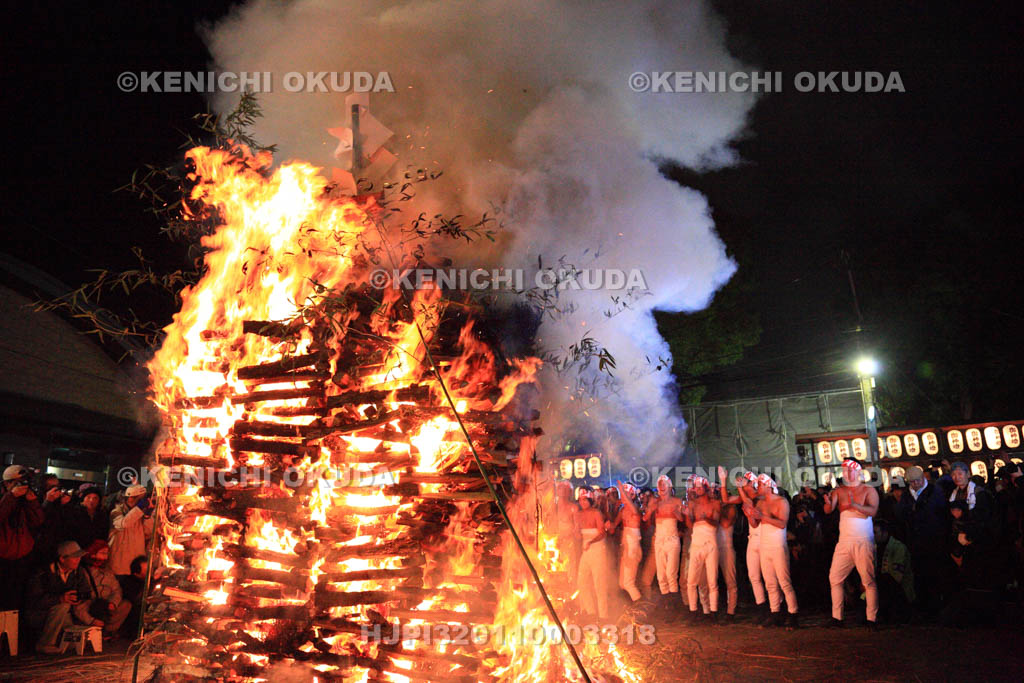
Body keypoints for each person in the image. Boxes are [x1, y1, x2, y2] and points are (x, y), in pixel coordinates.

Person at [825, 459, 879, 628]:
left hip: (863, 539)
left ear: (858, 471)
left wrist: (855, 505)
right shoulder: (839, 491)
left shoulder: (868, 490)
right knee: (834, 578)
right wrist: (827, 503)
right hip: (844, 541)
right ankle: (837, 617)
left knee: (868, 580)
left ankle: (872, 619)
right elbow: (829, 510)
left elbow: (873, 511)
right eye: (845, 470)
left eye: (850, 470)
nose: (847, 473)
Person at [25, 540, 94, 653]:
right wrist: (60, 599)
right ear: (62, 559)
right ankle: (45, 643)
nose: (78, 560)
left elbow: (86, 591)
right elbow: (34, 601)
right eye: (75, 557)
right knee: (63, 606)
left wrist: (78, 597)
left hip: (64, 614)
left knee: (72, 643)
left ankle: (61, 642)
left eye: (79, 556)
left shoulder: (78, 572)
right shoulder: (43, 574)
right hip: (39, 614)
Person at [719, 467, 768, 622]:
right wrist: (723, 481)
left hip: (766, 538)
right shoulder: (744, 495)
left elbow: (750, 503)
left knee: (769, 576)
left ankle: (776, 609)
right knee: (753, 575)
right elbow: (726, 500)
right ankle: (762, 608)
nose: (742, 485)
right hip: (751, 537)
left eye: (745, 482)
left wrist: (740, 489)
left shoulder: (761, 496)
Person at [900, 465, 949, 616]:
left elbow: (942, 515)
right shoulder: (906, 495)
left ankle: (936, 607)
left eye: (918, 481)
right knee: (918, 575)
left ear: (923, 478)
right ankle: (923, 607)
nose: (915, 484)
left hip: (934, 540)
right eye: (912, 482)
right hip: (915, 542)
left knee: (935, 575)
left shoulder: (935, 491)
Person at [752, 473, 798, 628]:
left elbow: (782, 524)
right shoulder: (760, 503)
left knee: (784, 581)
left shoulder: (782, 501)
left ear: (767, 485)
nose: (757, 487)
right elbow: (755, 524)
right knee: (770, 583)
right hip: (765, 546)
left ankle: (792, 613)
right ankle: (775, 612)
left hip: (778, 545)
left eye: (759, 484)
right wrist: (750, 514)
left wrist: (762, 516)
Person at [0, 465, 46, 610]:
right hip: (2, 557)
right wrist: (11, 497)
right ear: (7, 483)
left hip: (23, 557)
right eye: (18, 482)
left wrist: (32, 502)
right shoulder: (4, 498)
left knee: (18, 598)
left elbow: (38, 521)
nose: (23, 485)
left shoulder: (27, 499)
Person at [644, 475, 685, 603]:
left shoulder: (677, 501)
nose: (662, 486)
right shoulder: (655, 502)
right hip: (659, 539)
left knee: (671, 573)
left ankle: (674, 606)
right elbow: (645, 519)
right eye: (660, 484)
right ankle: (666, 606)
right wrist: (651, 510)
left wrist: (676, 513)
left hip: (672, 539)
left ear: (669, 486)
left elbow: (682, 520)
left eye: (664, 484)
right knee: (661, 575)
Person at [79, 540, 132, 639]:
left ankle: (107, 631)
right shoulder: (82, 573)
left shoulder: (107, 571)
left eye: (107, 554)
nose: (105, 557)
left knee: (125, 605)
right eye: (102, 553)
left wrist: (113, 603)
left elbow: (117, 590)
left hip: (106, 605)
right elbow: (79, 602)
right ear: (92, 554)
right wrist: (91, 620)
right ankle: (93, 625)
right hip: (90, 606)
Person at [684, 475, 720, 622]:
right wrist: (687, 515)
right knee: (692, 580)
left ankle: (713, 612)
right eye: (696, 487)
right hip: (696, 543)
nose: (698, 490)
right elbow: (690, 525)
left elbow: (716, 523)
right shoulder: (693, 504)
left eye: (700, 487)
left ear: (705, 487)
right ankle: (693, 611)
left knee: (712, 580)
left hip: (711, 543)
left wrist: (706, 519)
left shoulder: (714, 503)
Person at [574, 487, 610, 619]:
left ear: (590, 500)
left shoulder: (596, 513)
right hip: (586, 550)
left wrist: (591, 541)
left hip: (597, 550)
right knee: (581, 581)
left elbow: (602, 533)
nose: (582, 503)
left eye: (585, 500)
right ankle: (591, 612)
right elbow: (578, 536)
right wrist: (577, 533)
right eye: (580, 500)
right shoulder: (578, 515)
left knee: (599, 584)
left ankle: (604, 616)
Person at [108, 484, 154, 576]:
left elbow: (148, 531)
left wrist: (148, 517)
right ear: (129, 498)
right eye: (139, 499)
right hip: (120, 560)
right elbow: (123, 524)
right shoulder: (117, 511)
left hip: (137, 560)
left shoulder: (141, 512)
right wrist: (139, 508)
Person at [874, 519, 913, 624]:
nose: (873, 536)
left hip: (897, 591)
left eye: (875, 532)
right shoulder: (875, 547)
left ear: (885, 533)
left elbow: (896, 577)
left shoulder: (898, 548)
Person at [615, 481, 644, 603]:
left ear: (632, 496)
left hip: (633, 548)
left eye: (626, 493)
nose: (623, 496)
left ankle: (641, 607)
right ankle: (636, 607)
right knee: (622, 583)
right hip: (626, 547)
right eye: (623, 493)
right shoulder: (622, 511)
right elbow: (612, 526)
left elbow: (629, 504)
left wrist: (621, 490)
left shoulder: (634, 509)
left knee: (628, 583)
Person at [714, 483, 739, 621]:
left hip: (726, 547)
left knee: (730, 581)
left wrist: (717, 510)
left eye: (719, 492)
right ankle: (714, 609)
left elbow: (725, 523)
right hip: (714, 546)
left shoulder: (731, 507)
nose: (717, 495)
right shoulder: (716, 506)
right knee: (712, 581)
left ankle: (731, 611)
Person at [118, 555, 149, 636]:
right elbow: (136, 600)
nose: (150, 571)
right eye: (146, 570)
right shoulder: (129, 582)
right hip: (134, 623)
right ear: (136, 573)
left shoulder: (151, 579)